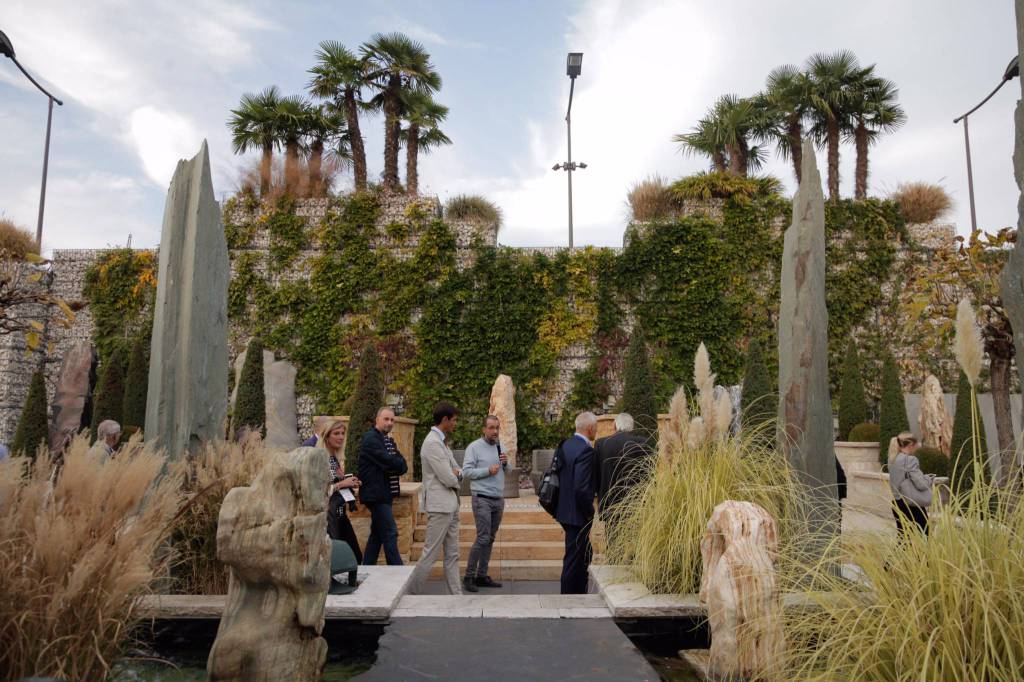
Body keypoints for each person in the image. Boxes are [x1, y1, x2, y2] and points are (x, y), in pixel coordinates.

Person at [408, 402, 463, 595]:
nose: (456, 423)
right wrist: (456, 475)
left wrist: (456, 474)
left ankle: (455, 596)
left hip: (451, 505)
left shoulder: (442, 441)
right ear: (445, 420)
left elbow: (457, 468)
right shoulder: (432, 443)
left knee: (453, 555)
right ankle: (410, 594)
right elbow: (448, 477)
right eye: (454, 420)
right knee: (429, 555)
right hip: (440, 507)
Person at [461, 415, 509, 592]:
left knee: (490, 538)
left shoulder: (501, 446)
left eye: (497, 427)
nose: (495, 431)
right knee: (482, 537)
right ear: (484, 429)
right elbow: (466, 472)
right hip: (482, 498)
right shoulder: (474, 447)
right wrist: (487, 471)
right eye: (491, 427)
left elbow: (507, 471)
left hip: (498, 499)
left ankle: (482, 576)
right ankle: (469, 576)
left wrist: (506, 464)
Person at [359, 407, 409, 565]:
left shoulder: (388, 441)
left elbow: (403, 466)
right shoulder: (371, 439)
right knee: (390, 532)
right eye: (386, 419)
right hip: (376, 495)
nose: (389, 423)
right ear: (377, 419)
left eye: (392, 420)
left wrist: (395, 461)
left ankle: (366, 569)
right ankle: (397, 573)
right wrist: (394, 461)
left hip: (385, 494)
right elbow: (389, 462)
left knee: (377, 535)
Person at [556, 411, 598, 594]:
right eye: (595, 427)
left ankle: (580, 592)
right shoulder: (586, 450)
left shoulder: (564, 444)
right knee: (573, 559)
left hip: (564, 511)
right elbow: (581, 487)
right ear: (590, 428)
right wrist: (589, 511)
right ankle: (567, 598)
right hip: (578, 514)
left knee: (582, 554)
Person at [595, 412, 651, 535]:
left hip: (610, 503)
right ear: (632, 427)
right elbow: (648, 473)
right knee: (633, 541)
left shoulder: (601, 444)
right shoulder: (643, 443)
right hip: (635, 503)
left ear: (614, 425)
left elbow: (597, 473)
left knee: (612, 541)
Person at [319, 418, 363, 563]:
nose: (341, 437)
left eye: (343, 433)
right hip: (328, 517)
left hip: (340, 514)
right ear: (326, 436)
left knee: (355, 555)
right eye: (336, 433)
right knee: (334, 557)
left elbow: (335, 483)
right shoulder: (320, 458)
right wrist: (342, 484)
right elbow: (319, 491)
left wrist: (350, 483)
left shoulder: (334, 457)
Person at [887, 432, 934, 538]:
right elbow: (921, 484)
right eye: (916, 445)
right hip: (911, 504)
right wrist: (929, 478)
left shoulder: (893, 458)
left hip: (897, 502)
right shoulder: (910, 460)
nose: (917, 447)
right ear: (910, 445)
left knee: (903, 538)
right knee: (924, 535)